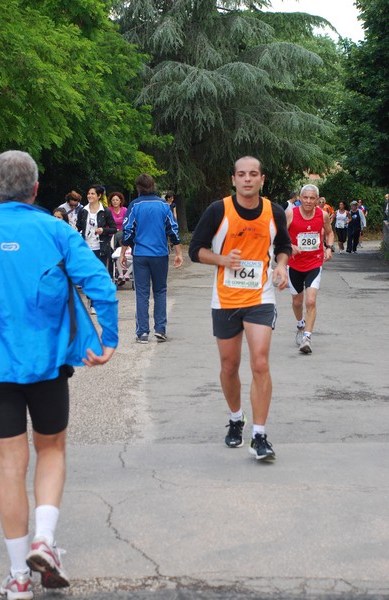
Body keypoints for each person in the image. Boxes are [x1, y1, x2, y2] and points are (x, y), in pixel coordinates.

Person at [0, 150, 118, 600]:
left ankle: (19, 576)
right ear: (37, 189)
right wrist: (110, 337)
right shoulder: (57, 229)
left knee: (9, 465)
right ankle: (44, 538)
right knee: (52, 449)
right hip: (48, 364)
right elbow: (99, 282)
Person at [189, 156, 291, 461]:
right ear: (233, 180)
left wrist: (282, 267)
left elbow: (284, 246)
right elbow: (196, 250)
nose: (248, 179)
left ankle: (259, 435)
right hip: (225, 299)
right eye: (242, 175)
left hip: (260, 296)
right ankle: (236, 418)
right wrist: (222, 260)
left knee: (260, 363)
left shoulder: (274, 211)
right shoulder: (218, 210)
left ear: (262, 179)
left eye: (254, 174)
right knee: (229, 365)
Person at [120, 174, 183, 343]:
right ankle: (160, 329)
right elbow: (173, 229)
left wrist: (122, 252)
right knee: (160, 291)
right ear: (153, 185)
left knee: (142, 293)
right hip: (160, 254)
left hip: (140, 254)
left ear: (138, 187)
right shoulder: (163, 205)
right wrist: (178, 253)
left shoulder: (135, 205)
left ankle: (142, 332)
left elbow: (128, 230)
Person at [286, 184, 334, 355]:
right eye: (305, 197)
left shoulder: (323, 215)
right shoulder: (291, 213)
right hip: (294, 264)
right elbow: (279, 234)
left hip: (314, 262)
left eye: (312, 198)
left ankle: (307, 337)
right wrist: (289, 245)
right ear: (299, 198)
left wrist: (328, 247)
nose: (308, 201)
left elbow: (329, 233)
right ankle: (300, 325)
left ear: (317, 200)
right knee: (297, 302)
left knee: (311, 301)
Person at [76, 184, 117, 309]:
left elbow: (114, 228)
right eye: (89, 193)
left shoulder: (105, 211)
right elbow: (79, 227)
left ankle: (94, 302)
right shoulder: (83, 211)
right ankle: (91, 297)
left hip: (100, 247)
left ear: (99, 196)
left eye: (93, 193)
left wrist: (102, 230)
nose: (90, 196)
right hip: (86, 247)